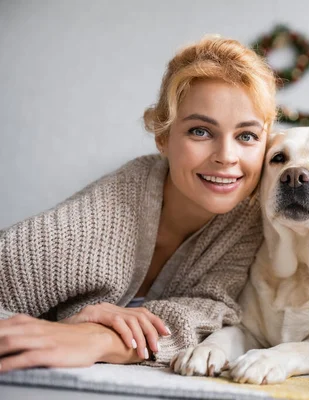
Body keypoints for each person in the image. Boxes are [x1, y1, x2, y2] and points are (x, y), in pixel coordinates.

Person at [0, 35, 277, 371]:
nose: (226, 157)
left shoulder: (252, 217)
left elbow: (211, 313)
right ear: (163, 136)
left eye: (247, 136)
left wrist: (99, 338)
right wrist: (64, 330)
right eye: (201, 131)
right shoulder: (101, 215)